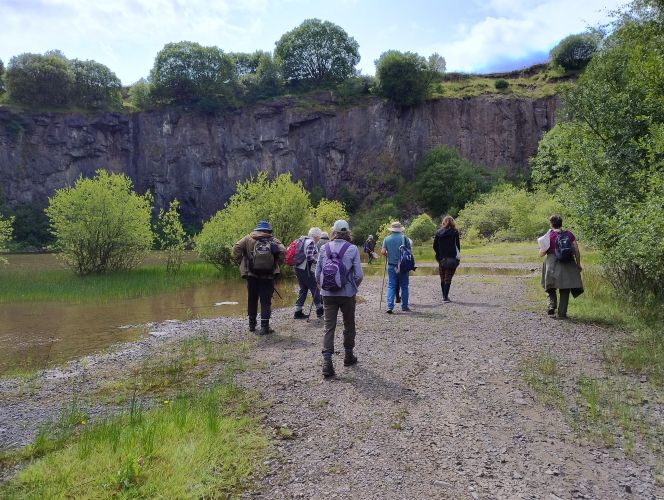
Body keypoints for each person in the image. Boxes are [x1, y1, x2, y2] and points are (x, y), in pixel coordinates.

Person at [315, 220, 363, 378]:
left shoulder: (324, 247)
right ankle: (348, 356)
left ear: (333, 232)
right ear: (348, 232)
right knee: (349, 324)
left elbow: (317, 273)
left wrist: (323, 287)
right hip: (347, 294)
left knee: (329, 327)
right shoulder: (353, 249)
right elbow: (359, 275)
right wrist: (352, 287)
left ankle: (327, 364)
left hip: (327, 294)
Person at [233, 220, 285, 335]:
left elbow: (236, 248)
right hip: (268, 275)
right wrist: (276, 263)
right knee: (266, 301)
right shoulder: (273, 240)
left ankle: (252, 325)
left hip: (252, 275)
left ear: (257, 229)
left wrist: (242, 262)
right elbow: (283, 251)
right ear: (268, 230)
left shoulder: (248, 238)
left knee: (252, 299)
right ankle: (264, 327)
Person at [539, 214, 583, 319]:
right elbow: (576, 250)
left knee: (549, 286)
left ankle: (551, 305)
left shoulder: (548, 236)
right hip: (568, 262)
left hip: (551, 262)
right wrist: (578, 264)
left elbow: (541, 254)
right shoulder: (569, 234)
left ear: (551, 224)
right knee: (565, 288)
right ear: (561, 223)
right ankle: (562, 313)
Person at [380, 221, 412, 313]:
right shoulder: (404, 238)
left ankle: (389, 306)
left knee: (391, 285)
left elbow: (382, 251)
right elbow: (409, 252)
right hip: (403, 266)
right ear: (400, 229)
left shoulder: (387, 239)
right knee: (404, 286)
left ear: (392, 230)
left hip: (391, 265)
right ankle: (404, 306)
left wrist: (388, 255)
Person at [294, 227, 324, 320]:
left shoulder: (302, 240)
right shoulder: (311, 242)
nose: (320, 238)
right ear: (316, 236)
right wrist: (318, 262)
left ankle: (297, 312)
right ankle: (320, 310)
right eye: (319, 236)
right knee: (315, 288)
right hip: (306, 270)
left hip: (298, 268)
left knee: (303, 289)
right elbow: (309, 257)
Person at [433, 215, 461, 302]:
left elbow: (434, 246)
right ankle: (445, 297)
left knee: (442, 278)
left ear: (444, 222)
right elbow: (458, 246)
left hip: (441, 259)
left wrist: (439, 255)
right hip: (452, 258)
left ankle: (444, 296)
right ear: (453, 222)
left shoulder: (438, 232)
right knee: (448, 278)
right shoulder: (455, 232)